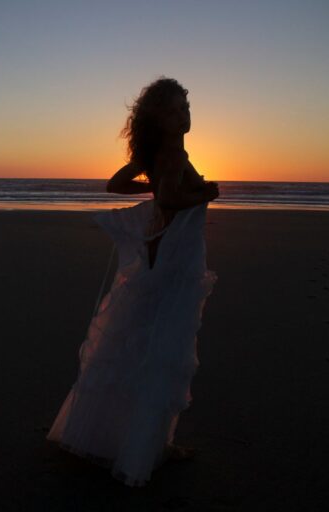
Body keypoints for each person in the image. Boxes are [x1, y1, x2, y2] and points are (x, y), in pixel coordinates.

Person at [46, 77, 219, 487]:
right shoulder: (173, 153)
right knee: (164, 348)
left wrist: (153, 185)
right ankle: (150, 447)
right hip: (174, 256)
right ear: (159, 118)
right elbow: (171, 200)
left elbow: (117, 184)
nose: (183, 115)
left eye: (185, 108)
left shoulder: (154, 153)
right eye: (174, 110)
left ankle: (125, 438)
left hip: (162, 250)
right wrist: (206, 193)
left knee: (141, 341)